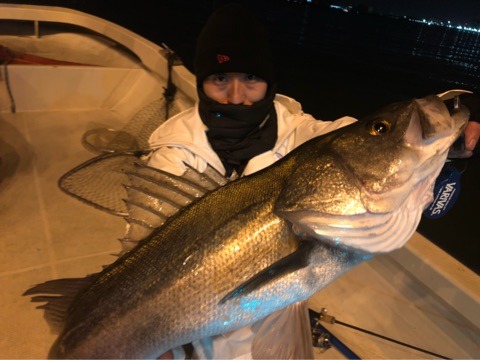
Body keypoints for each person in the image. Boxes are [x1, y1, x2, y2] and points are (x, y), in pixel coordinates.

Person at [148, 3, 480, 359]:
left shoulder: (297, 129)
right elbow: (150, 258)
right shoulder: (171, 153)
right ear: (200, 82)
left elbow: (343, 138)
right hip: (185, 333)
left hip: (265, 317)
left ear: (268, 81)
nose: (236, 95)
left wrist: (446, 155)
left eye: (250, 78)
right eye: (219, 79)